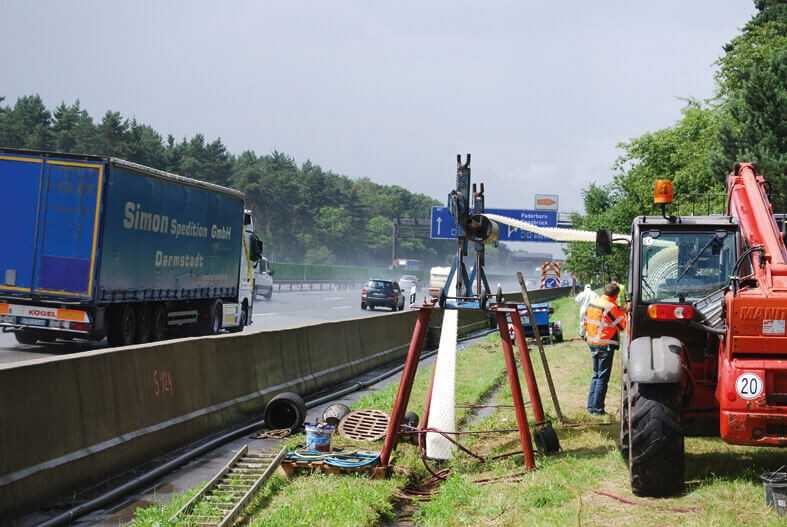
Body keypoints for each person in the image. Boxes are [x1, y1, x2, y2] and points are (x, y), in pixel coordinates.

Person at [584, 282, 627, 415]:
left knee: (596, 375)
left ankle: (591, 406)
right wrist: (623, 312)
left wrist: (619, 310)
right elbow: (622, 325)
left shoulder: (595, 302)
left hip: (592, 342)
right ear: (616, 295)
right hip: (604, 344)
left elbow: (587, 321)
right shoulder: (611, 306)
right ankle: (597, 409)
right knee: (602, 377)